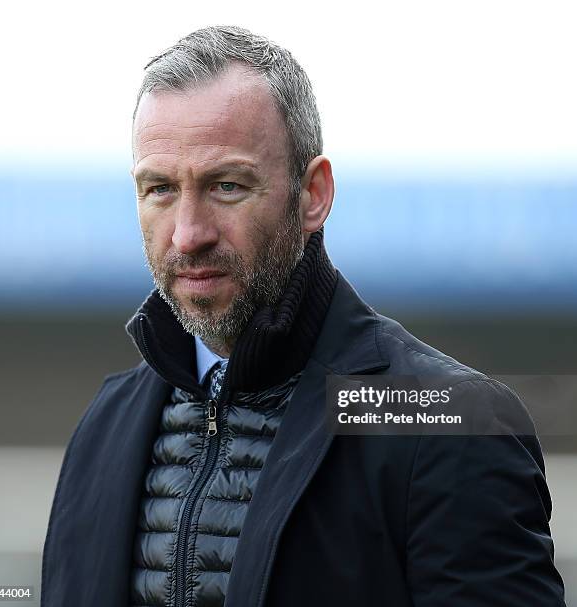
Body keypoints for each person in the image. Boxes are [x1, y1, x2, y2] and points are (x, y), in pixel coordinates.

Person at [40, 25, 566, 607]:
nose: (188, 234)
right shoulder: (104, 424)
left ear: (313, 194)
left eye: (228, 185)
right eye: (160, 189)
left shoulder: (449, 418)